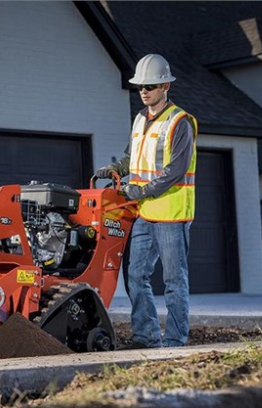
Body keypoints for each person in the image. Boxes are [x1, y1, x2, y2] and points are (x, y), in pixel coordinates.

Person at [95, 54, 198, 349]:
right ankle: (146, 337)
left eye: (150, 85)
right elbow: (133, 158)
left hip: (171, 215)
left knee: (174, 282)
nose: (144, 91)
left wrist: (140, 191)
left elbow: (175, 171)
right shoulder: (140, 119)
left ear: (165, 85)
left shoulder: (180, 123)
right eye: (140, 86)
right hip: (143, 214)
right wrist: (116, 169)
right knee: (136, 276)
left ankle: (175, 341)